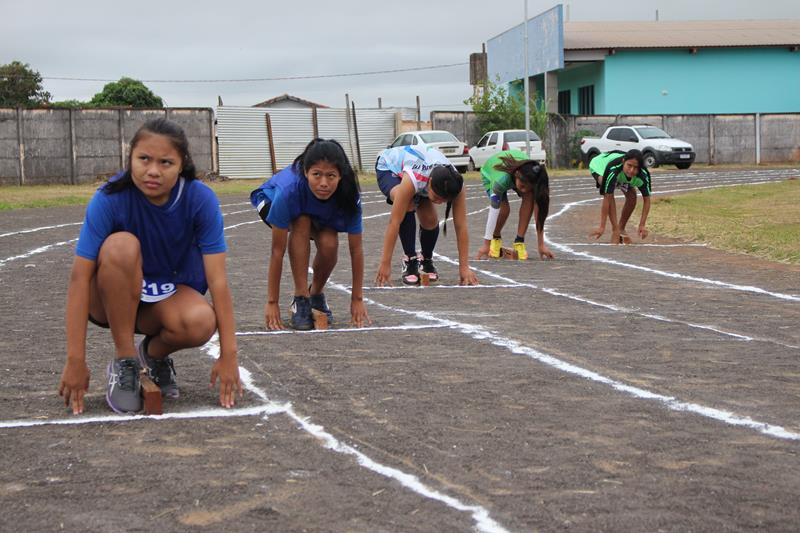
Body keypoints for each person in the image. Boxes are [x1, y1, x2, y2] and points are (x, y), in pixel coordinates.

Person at [59, 118, 242, 415]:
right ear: (130, 157)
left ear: (181, 165)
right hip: (109, 300)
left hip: (165, 297)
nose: (153, 170)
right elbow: (80, 279)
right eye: (144, 159)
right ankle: (125, 361)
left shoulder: (200, 200)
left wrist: (229, 354)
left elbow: (218, 280)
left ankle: (151, 356)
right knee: (121, 245)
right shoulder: (109, 198)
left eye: (166, 162)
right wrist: (75, 359)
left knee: (200, 321)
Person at [250, 139, 370, 331]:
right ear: (306, 173)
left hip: (315, 207)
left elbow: (356, 249)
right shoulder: (289, 191)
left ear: (341, 176)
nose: (323, 183)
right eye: (316, 175)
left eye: (331, 176)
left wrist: (357, 299)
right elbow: (277, 251)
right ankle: (301, 298)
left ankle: (315, 294)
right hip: (270, 201)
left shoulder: (349, 195)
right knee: (302, 220)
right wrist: (272, 302)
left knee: (330, 241)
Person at [374, 145, 478, 286]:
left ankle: (426, 259)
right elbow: (394, 221)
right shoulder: (415, 178)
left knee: (430, 220)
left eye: (444, 200)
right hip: (389, 167)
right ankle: (409, 260)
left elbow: (461, 225)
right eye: (437, 197)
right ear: (429, 183)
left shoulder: (456, 185)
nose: (440, 202)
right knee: (407, 202)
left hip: (423, 174)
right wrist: (385, 264)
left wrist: (464, 268)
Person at [474, 149, 554, 261]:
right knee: (504, 210)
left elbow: (540, 210)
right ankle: (496, 238)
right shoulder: (500, 181)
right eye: (522, 186)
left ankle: (519, 241)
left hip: (517, 173)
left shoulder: (531, 176)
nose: (524, 190)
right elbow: (493, 210)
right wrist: (486, 245)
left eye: (528, 187)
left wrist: (541, 245)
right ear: (517, 175)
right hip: (490, 173)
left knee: (529, 198)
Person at [589, 149, 652, 244]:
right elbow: (607, 199)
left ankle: (621, 228)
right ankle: (615, 229)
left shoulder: (643, 175)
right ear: (623, 162)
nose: (631, 170)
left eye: (635, 167)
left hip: (620, 174)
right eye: (629, 165)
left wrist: (642, 225)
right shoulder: (613, 169)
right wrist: (602, 227)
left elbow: (647, 200)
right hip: (601, 165)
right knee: (606, 187)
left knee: (632, 196)